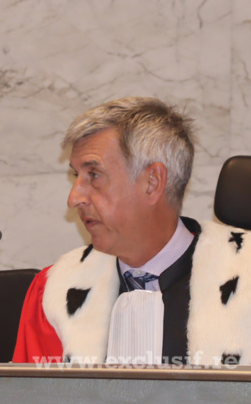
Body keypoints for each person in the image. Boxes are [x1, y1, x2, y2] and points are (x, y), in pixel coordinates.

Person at [13, 97, 251, 366]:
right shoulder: (56, 291)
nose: (74, 197)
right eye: (75, 176)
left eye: (93, 174)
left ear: (152, 182)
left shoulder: (245, 278)